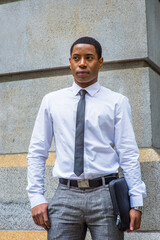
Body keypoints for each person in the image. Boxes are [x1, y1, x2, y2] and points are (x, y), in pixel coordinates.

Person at [27, 36, 146, 240]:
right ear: (70, 62)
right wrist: (36, 197)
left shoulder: (117, 102)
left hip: (106, 197)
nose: (82, 63)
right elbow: (37, 152)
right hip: (65, 195)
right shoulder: (51, 101)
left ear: (100, 62)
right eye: (76, 57)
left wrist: (136, 201)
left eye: (89, 57)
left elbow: (128, 153)